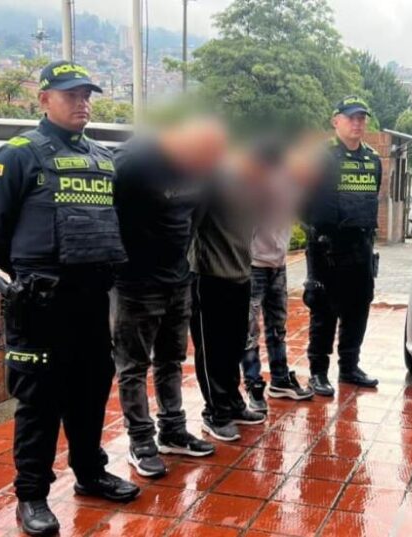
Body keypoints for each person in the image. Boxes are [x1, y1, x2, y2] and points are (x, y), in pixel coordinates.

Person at [0, 60, 139, 536]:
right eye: (71, 95)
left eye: (87, 94)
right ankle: (32, 495)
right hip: (41, 304)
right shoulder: (18, 154)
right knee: (39, 401)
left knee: (90, 390)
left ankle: (90, 473)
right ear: (44, 99)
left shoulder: (103, 159)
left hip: (91, 301)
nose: (82, 103)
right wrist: (31, 275)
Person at [111, 119, 227, 477]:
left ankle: (173, 431)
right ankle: (141, 440)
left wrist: (178, 262)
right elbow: (106, 215)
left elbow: (196, 215)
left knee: (171, 359)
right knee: (132, 366)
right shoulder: (130, 162)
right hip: (135, 284)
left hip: (178, 280)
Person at [190, 141, 278, 441]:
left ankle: (232, 402)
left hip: (241, 275)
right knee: (212, 348)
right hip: (209, 276)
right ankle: (215, 412)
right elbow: (193, 224)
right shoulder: (213, 182)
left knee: (233, 344)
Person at [302, 96, 383, 396]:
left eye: (362, 117)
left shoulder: (373, 159)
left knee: (358, 308)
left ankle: (349, 367)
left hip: (360, 248)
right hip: (326, 249)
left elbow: (372, 196)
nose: (357, 122)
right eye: (351, 117)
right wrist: (316, 232)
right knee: (323, 310)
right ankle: (317, 373)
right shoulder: (320, 157)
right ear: (335, 120)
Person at [242, 146, 315, 412]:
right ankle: (253, 385)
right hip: (254, 265)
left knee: (277, 327)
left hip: (278, 264)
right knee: (249, 331)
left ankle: (281, 379)